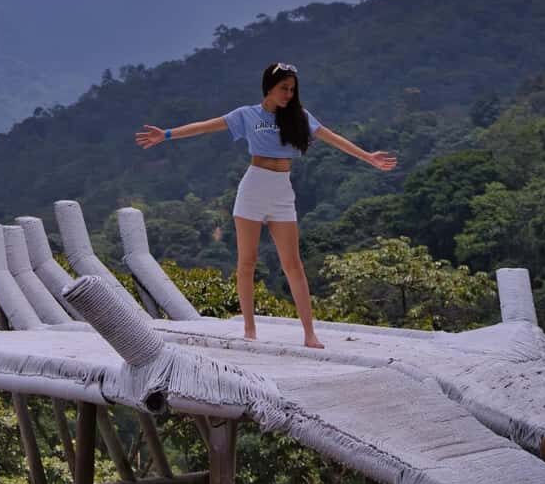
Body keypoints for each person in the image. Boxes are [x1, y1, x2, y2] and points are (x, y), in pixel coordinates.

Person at [135, 61, 397, 348]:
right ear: (268, 88)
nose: (288, 94)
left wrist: (368, 157)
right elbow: (205, 127)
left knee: (293, 264)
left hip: (282, 192)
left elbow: (333, 138)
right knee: (246, 262)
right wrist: (167, 134)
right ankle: (249, 330)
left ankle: (309, 334)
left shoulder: (299, 117)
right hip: (253, 189)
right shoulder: (247, 115)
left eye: (292, 90)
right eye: (283, 88)